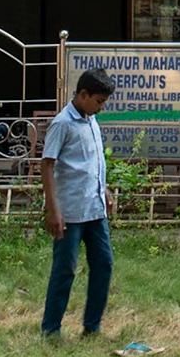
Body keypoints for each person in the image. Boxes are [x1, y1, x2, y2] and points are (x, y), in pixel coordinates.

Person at [41, 70, 117, 338]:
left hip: (95, 210)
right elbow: (47, 165)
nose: (101, 107)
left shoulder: (91, 120)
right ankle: (51, 330)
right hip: (70, 212)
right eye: (98, 101)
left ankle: (92, 326)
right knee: (65, 269)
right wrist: (53, 209)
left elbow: (91, 163)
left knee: (104, 264)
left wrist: (104, 189)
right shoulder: (63, 123)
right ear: (83, 94)